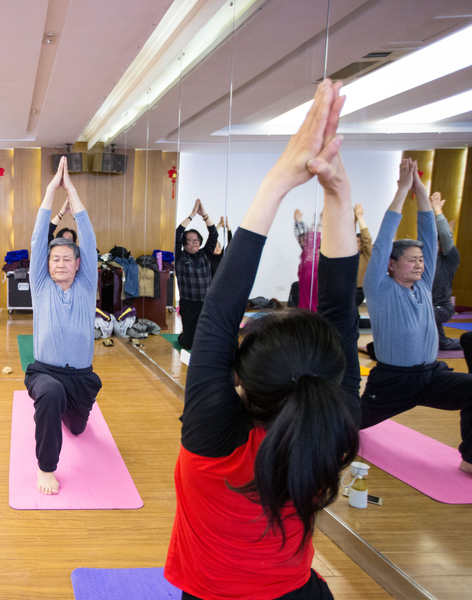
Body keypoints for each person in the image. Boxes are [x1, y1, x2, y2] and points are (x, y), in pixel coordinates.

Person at [165, 79, 360, 600]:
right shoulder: (329, 433)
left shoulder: (215, 439)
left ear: (240, 376)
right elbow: (341, 312)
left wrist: (302, 187)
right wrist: (328, 192)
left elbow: (216, 315)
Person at [361, 158, 472, 475]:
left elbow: (427, 228)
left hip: (432, 376)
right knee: (339, 429)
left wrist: (421, 190)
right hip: (394, 381)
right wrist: (401, 191)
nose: (420, 265)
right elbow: (383, 240)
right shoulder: (380, 287)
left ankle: (471, 460)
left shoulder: (424, 284)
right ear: (392, 265)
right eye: (411, 261)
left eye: (422, 260)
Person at [25, 156, 101, 496]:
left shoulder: (86, 284)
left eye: (66, 259)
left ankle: (67, 415)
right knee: (51, 394)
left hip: (82, 378)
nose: (59, 263)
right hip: (45, 372)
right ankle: (46, 467)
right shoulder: (41, 284)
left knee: (78, 428)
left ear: (77, 264)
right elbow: (39, 239)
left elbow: (89, 238)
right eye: (54, 259)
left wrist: (71, 189)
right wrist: (49, 192)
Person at [174, 198, 218, 350]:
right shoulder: (180, 257)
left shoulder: (205, 254)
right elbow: (177, 233)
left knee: (207, 340)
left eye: (196, 240)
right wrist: (192, 215)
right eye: (189, 240)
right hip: (188, 304)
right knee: (189, 344)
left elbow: (214, 234)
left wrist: (204, 215)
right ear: (184, 243)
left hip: (206, 303)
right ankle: (183, 335)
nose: (193, 243)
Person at [430, 191, 462, 351]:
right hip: (429, 304)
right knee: (443, 344)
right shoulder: (427, 258)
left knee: (420, 315)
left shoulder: (450, 258)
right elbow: (428, 234)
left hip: (442, 307)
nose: (437, 245)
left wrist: (437, 211)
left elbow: (445, 236)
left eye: (440, 243)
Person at [294, 209, 321, 312]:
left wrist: (319, 221)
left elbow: (313, 237)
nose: (303, 242)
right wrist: (298, 222)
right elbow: (301, 236)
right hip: (306, 282)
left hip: (313, 279)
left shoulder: (312, 253)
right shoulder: (305, 255)